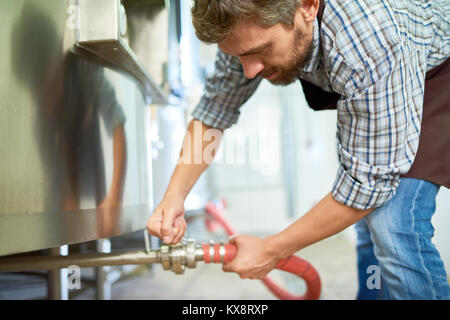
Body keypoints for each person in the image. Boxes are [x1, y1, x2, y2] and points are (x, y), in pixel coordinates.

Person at [147, 0, 450, 299]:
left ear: (307, 6)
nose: (249, 71)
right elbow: (215, 113)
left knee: (392, 224)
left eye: (260, 51)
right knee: (368, 225)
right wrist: (175, 194)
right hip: (387, 68)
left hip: (436, 73)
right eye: (239, 55)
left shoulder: (369, 38)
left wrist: (272, 249)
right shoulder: (245, 26)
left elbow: (367, 185)